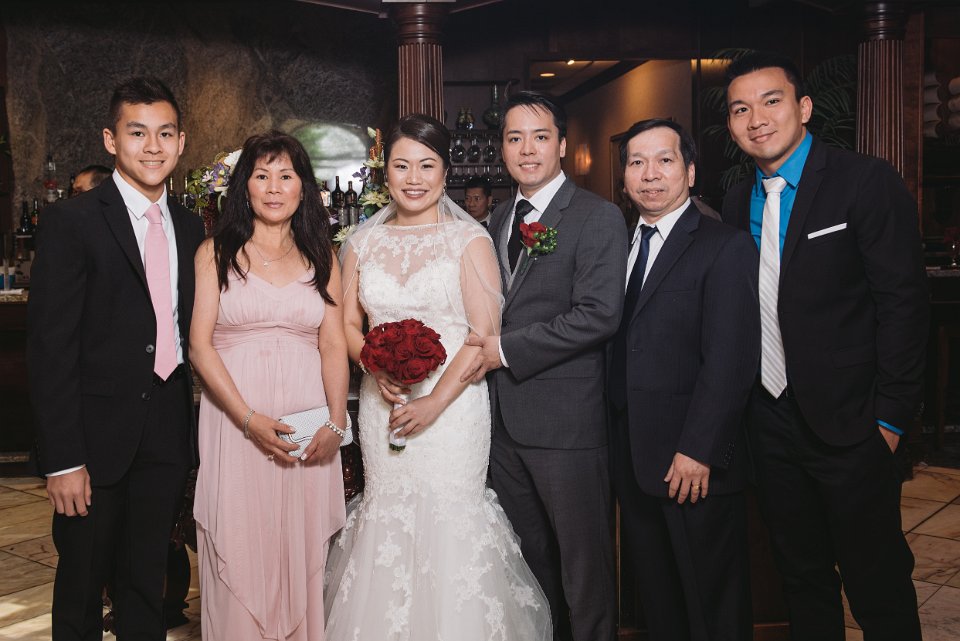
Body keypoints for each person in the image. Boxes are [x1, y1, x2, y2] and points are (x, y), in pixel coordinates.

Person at [721, 51, 928, 641]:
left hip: (854, 421)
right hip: (769, 422)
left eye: (771, 101)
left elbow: (904, 305)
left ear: (804, 107)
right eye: (740, 109)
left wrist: (890, 419)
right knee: (801, 578)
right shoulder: (735, 200)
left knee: (877, 583)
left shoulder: (864, 181)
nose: (757, 118)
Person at [327, 113, 551, 640]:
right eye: (401, 165)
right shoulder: (360, 243)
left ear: (445, 172)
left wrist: (434, 403)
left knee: (450, 522)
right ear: (384, 172)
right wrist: (372, 363)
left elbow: (482, 337)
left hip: (453, 412)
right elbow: (347, 325)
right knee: (388, 517)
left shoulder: (468, 241)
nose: (414, 178)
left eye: (426, 166)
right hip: (384, 404)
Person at [27, 76, 205, 641]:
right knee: (82, 590)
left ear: (181, 142)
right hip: (92, 441)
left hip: (166, 436)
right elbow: (50, 350)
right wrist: (62, 460)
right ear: (111, 140)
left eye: (165, 133)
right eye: (137, 132)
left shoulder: (191, 226)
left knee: (147, 588)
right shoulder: (72, 222)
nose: (153, 147)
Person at [461, 91, 627, 641]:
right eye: (515, 138)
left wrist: (505, 350)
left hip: (566, 426)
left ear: (561, 144)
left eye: (539, 137)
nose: (527, 149)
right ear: (502, 148)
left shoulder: (597, 217)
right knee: (529, 569)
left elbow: (599, 315)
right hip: (502, 426)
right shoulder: (496, 220)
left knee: (585, 571)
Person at [190, 130, 348, 641]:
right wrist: (247, 418)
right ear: (245, 186)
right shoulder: (215, 253)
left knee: (298, 542)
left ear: (304, 188)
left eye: (286, 176)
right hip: (235, 422)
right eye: (262, 176)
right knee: (239, 533)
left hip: (306, 425)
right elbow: (199, 347)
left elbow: (332, 344)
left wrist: (336, 422)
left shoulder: (323, 256)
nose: (274, 188)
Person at [610, 118, 759, 641]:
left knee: (712, 607)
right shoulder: (621, 245)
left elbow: (732, 359)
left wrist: (699, 448)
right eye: (637, 162)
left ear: (690, 172)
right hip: (634, 457)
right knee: (660, 605)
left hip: (691, 462)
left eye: (665, 160)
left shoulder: (724, 246)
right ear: (624, 177)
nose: (650, 174)